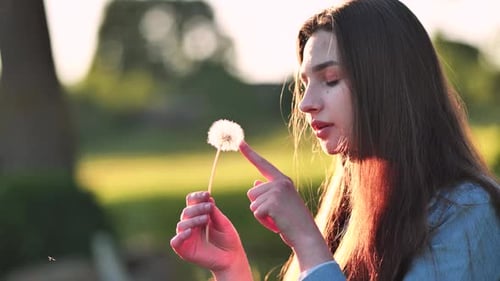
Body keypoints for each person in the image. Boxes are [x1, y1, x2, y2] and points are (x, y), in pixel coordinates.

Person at [170, 0, 500, 280]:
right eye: (305, 83)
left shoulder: (466, 212)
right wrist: (232, 267)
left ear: (389, 87)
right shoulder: (347, 212)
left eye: (330, 79)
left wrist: (307, 241)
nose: (305, 103)